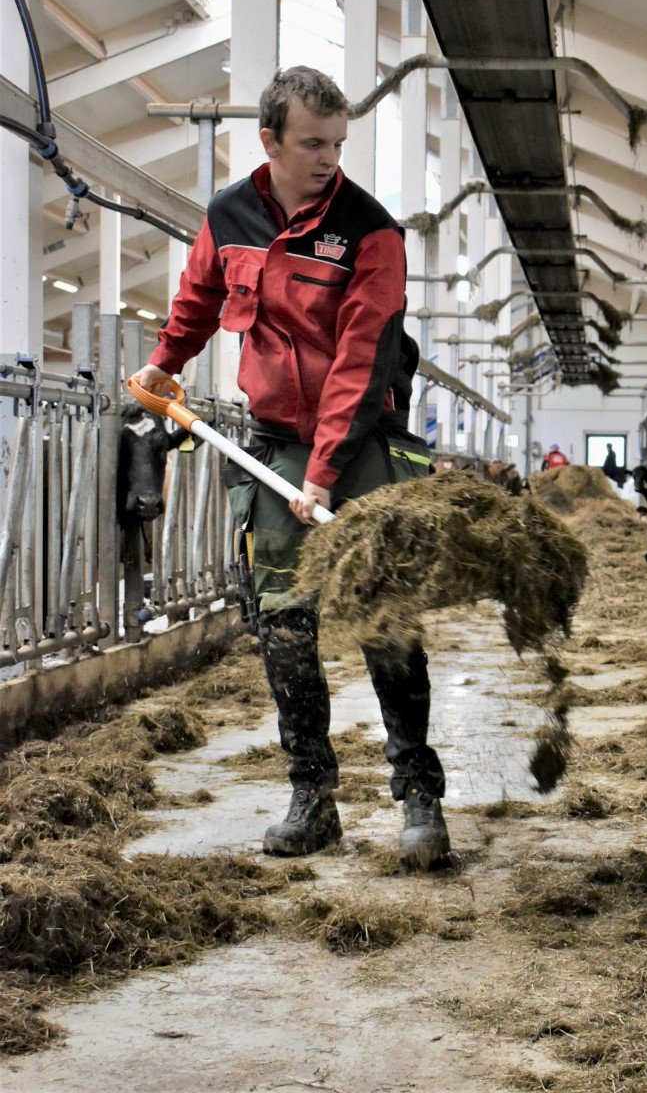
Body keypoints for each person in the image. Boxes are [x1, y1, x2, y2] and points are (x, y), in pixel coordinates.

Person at [130, 66, 449, 869]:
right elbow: (198, 299)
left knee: (386, 618)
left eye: (338, 143)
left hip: (363, 443)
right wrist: (166, 364)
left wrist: (326, 471)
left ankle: (419, 799)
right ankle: (313, 797)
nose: (328, 159)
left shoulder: (371, 230)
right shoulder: (228, 216)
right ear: (268, 139)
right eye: (313, 143)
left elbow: (362, 356)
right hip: (273, 441)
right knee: (282, 625)